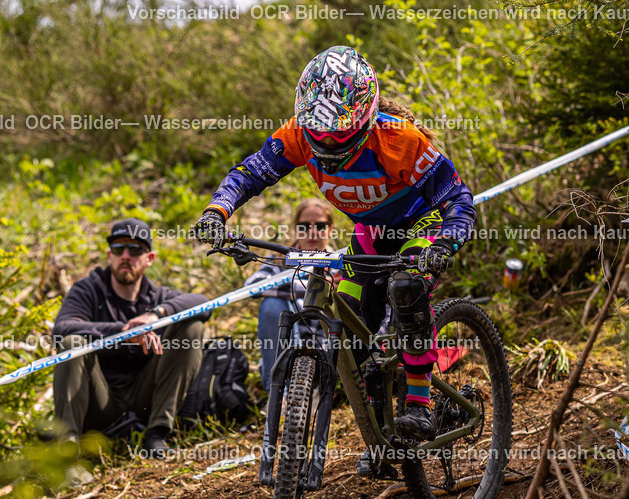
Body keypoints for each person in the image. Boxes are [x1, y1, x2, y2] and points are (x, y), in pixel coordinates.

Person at [193, 45, 475, 473]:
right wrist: (218, 211)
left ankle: (418, 404)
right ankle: (384, 440)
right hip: (371, 233)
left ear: (363, 115)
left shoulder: (399, 139)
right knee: (351, 331)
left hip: (423, 223)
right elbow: (250, 173)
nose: (324, 140)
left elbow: (457, 198)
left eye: (337, 130)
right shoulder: (298, 134)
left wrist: (447, 242)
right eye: (317, 130)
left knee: (407, 288)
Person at [52, 218, 211, 458]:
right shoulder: (88, 290)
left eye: (135, 249)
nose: (126, 256)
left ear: (149, 258)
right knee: (71, 343)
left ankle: (157, 434)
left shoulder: (158, 296)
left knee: (192, 328)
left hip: (146, 398)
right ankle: (67, 452)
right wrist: (124, 333)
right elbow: (62, 328)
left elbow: (204, 304)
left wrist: (157, 315)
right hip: (99, 401)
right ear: (110, 256)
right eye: (119, 249)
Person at [245, 198, 336, 391]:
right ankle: (279, 395)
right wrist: (314, 287)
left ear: (331, 229)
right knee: (271, 306)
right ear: (296, 229)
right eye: (304, 226)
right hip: (286, 349)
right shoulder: (280, 261)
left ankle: (319, 390)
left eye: (320, 226)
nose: (312, 232)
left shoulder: (342, 265)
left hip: (326, 353)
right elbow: (252, 286)